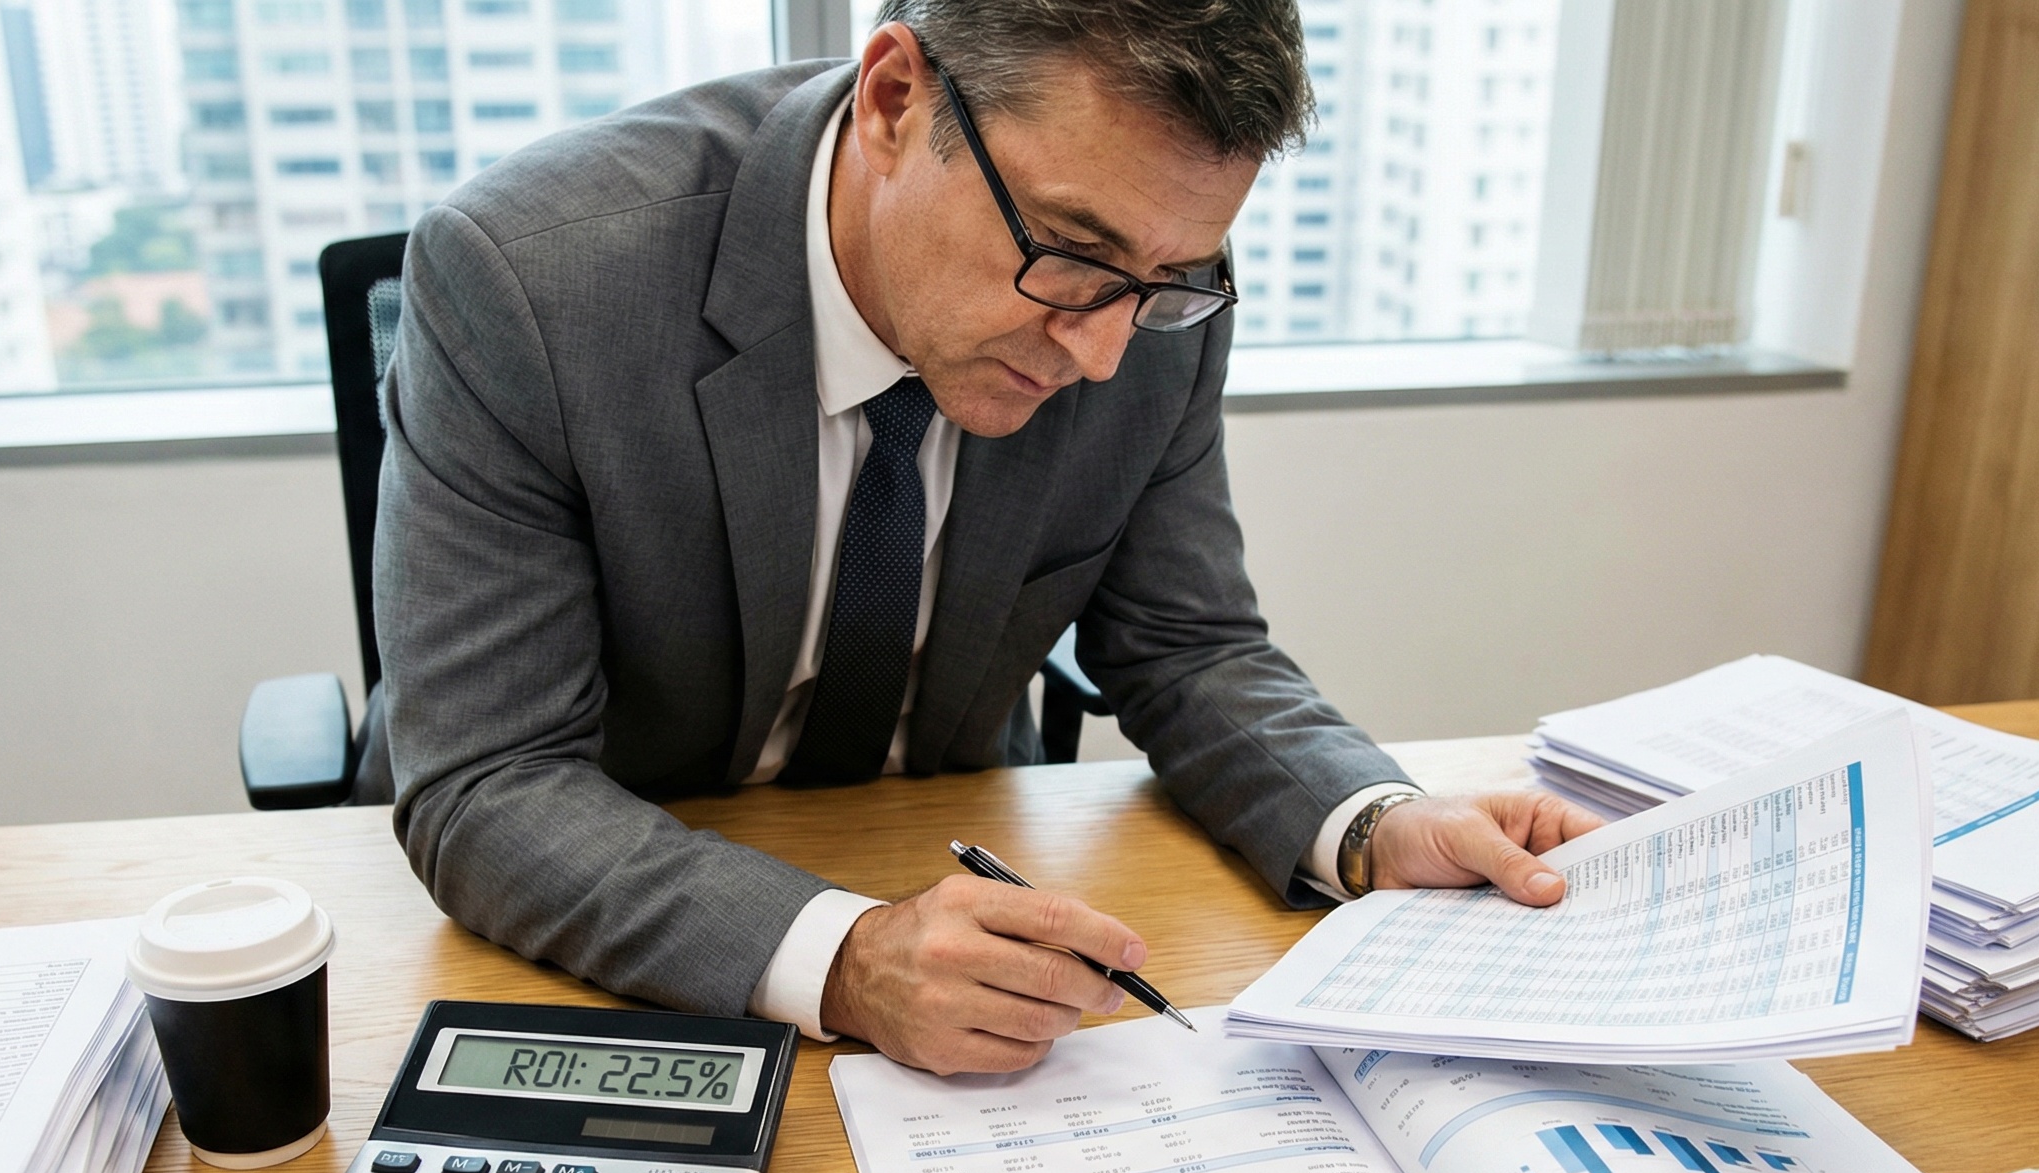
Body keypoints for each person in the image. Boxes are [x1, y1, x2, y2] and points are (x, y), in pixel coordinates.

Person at [372, 0, 1600, 1075]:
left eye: (1171, 276)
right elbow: (490, 781)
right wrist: (843, 956)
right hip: (604, 942)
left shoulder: (1150, 304)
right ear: (895, 99)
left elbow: (1188, 648)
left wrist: (1373, 825)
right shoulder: (533, 281)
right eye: (1074, 257)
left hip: (954, 885)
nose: (1105, 352)